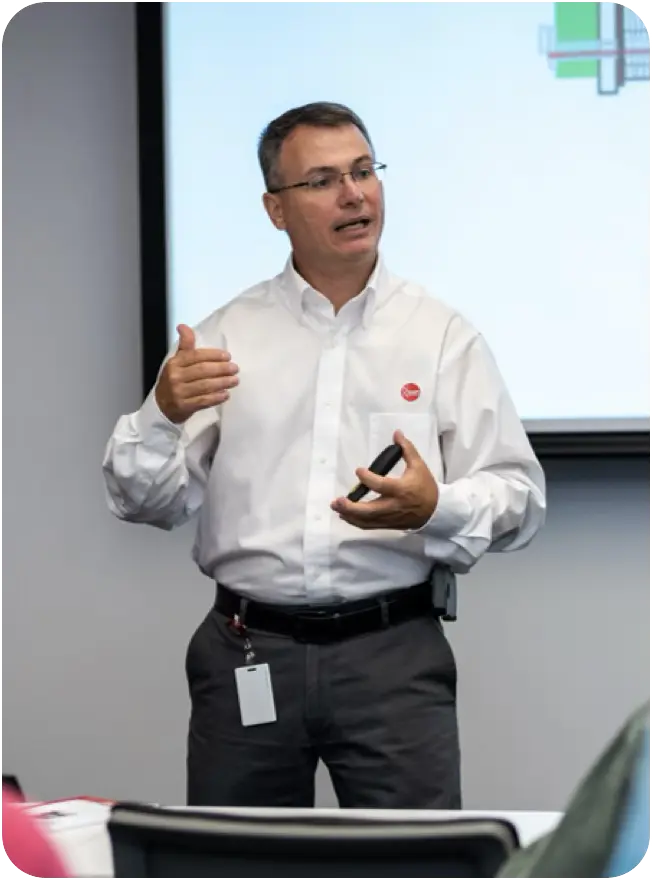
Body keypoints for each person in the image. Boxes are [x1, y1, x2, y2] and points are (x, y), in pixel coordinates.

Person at [102, 102, 546, 810]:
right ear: (276, 210)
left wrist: (439, 508)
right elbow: (145, 504)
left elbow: (520, 499)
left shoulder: (441, 337)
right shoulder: (225, 336)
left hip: (393, 654)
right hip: (248, 649)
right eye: (323, 180)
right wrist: (161, 413)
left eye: (365, 172)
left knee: (417, 869)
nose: (354, 194)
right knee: (232, 868)